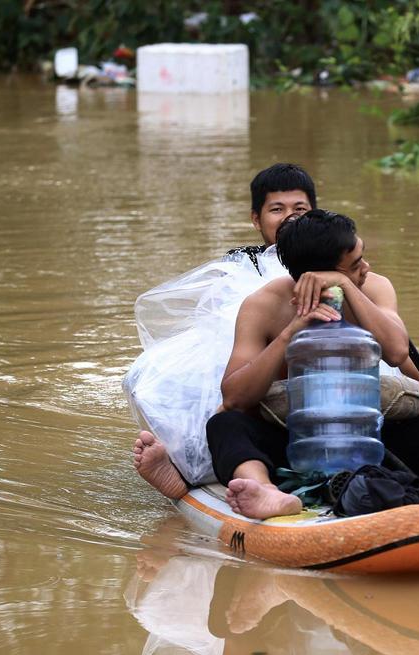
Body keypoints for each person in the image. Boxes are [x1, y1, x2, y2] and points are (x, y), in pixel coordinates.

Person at [207, 209, 419, 519]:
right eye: (355, 265)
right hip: (295, 442)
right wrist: (289, 335)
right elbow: (234, 398)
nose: (366, 268)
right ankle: (266, 491)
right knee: (224, 425)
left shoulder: (373, 287)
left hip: (368, 436)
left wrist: (346, 284)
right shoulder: (263, 305)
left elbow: (397, 352)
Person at [132, 163, 317, 500]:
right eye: (277, 209)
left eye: (300, 209)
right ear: (256, 220)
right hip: (250, 360)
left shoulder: (334, 256)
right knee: (162, 385)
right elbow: (219, 317)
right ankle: (185, 475)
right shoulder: (243, 261)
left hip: (314, 367)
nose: (290, 217)